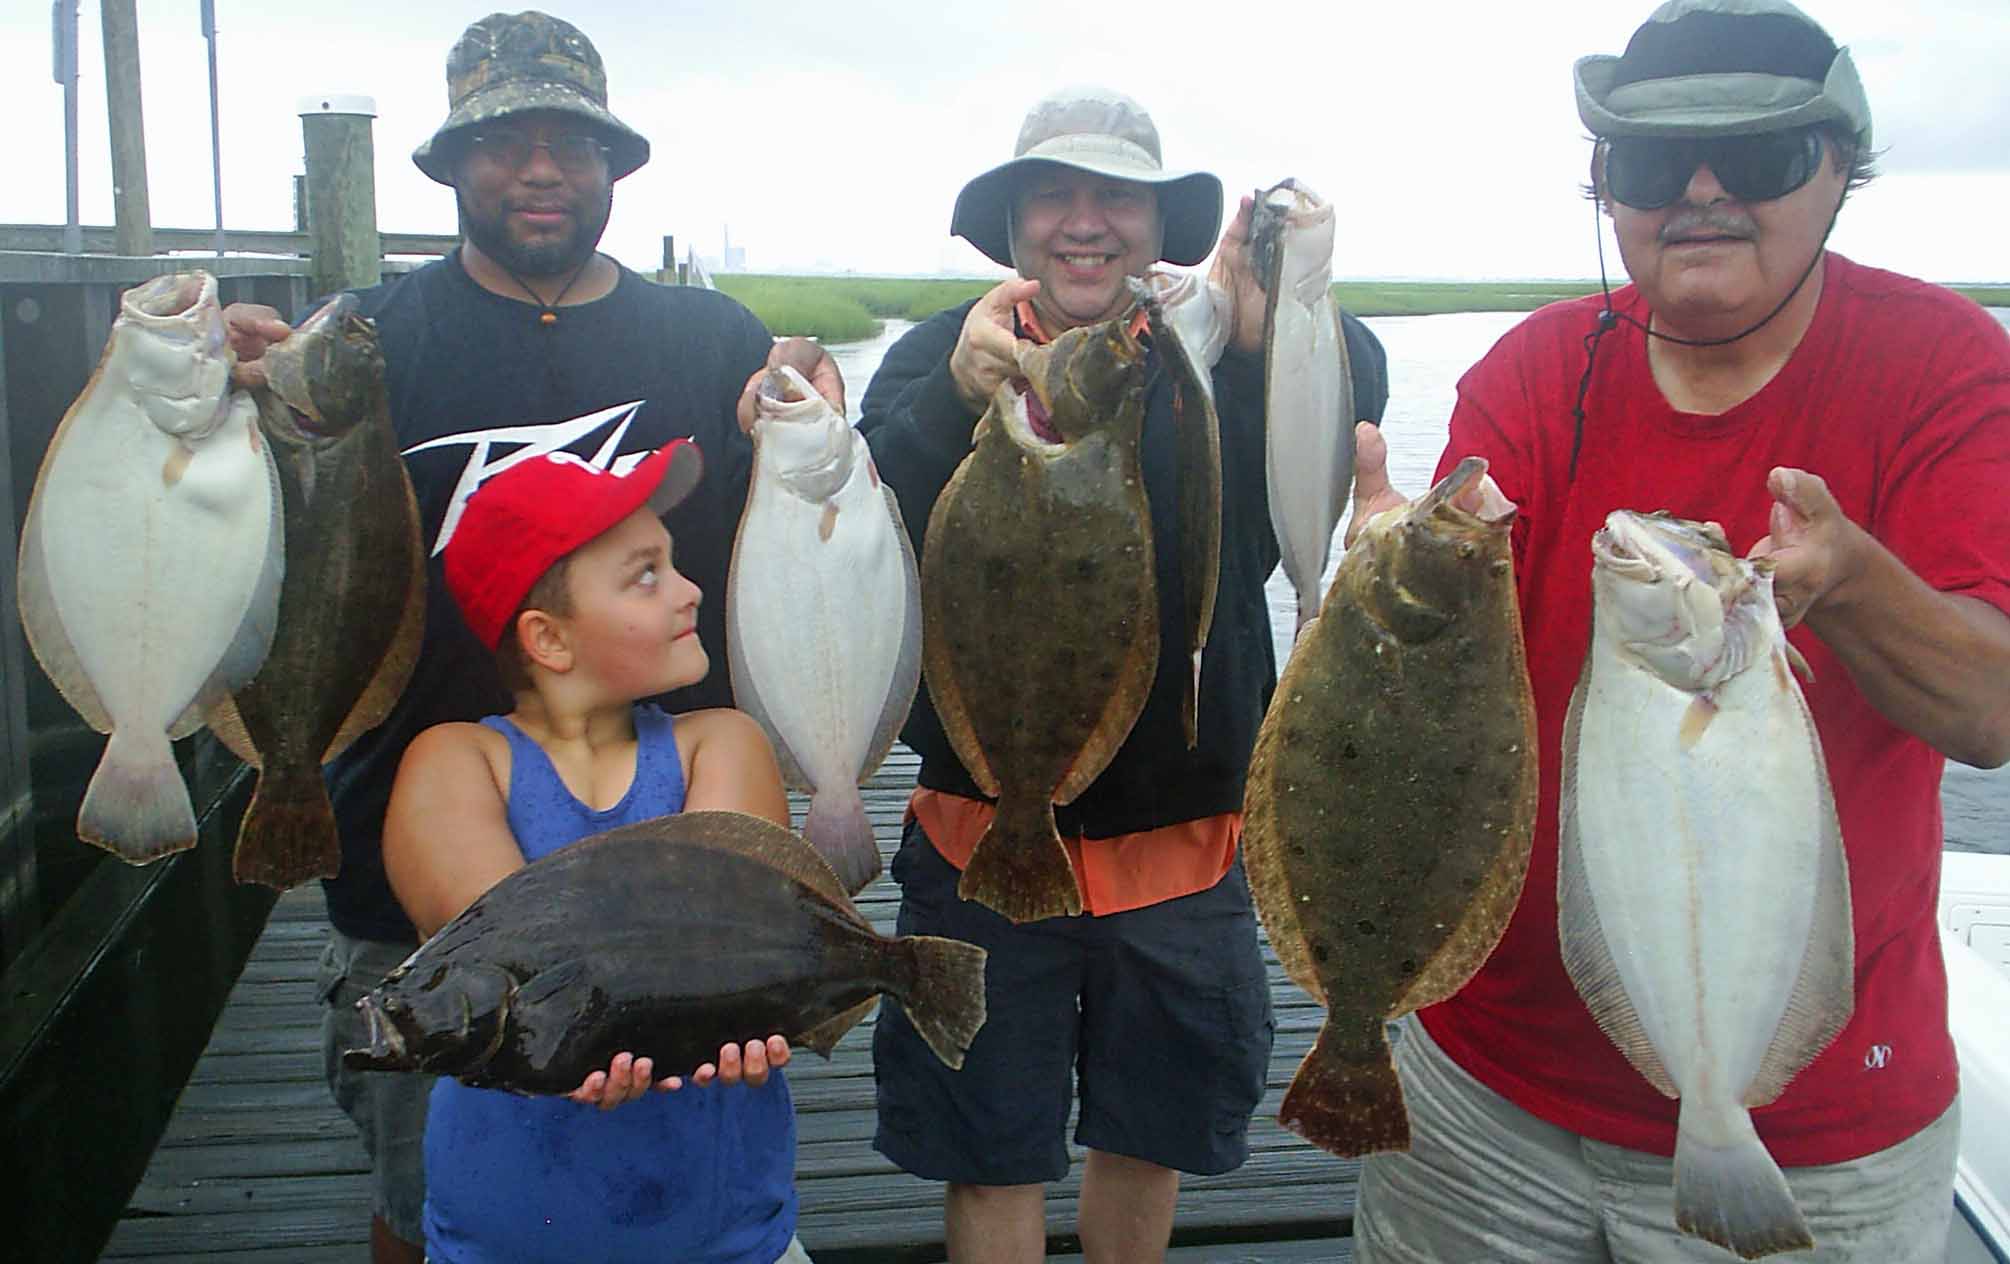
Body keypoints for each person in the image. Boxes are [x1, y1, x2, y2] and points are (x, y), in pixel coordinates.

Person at [1346, 2, 2010, 1260]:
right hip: (1482, 1092)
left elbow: (1993, 712)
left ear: (1839, 172)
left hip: (1817, 1131)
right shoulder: (1536, 369)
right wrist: (1386, 589)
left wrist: (1855, 581)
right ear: (1608, 190)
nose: (1700, 192)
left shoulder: (1944, 365)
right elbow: (1429, 690)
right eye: (1651, 167)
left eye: (1756, 159)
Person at [223, 13, 841, 1262]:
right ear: (452, 165)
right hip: (422, 855)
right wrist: (208, 402)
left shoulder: (710, 340)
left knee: (692, 1162)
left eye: (570, 141)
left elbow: (816, 546)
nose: (540, 168)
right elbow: (258, 540)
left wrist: (811, 414)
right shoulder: (362, 343)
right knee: (428, 1181)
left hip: (678, 868)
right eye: (504, 141)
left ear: (617, 166)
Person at [856, 86, 1389, 1261]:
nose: (1084, 223)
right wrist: (956, 393)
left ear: (1161, 228)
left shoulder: (1210, 353)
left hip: (1186, 847)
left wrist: (1275, 320)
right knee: (986, 1143)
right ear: (1012, 222)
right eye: (1055, 194)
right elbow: (868, 513)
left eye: (1117, 200)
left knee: (1148, 1133)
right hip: (979, 832)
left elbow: (1354, 382)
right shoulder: (938, 359)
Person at [379, 439, 808, 1263]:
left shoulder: (721, 741)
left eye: (674, 563)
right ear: (548, 639)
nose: (690, 590)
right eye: (645, 574)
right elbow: (519, 963)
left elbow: (712, 951)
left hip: (726, 1232)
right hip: (507, 1235)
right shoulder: (454, 760)